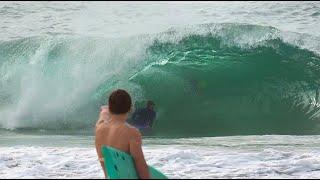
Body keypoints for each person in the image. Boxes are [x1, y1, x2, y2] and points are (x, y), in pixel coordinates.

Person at [95, 89, 150, 179]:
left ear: (110, 107)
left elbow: (103, 115)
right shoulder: (132, 133)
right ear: (130, 108)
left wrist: (105, 110)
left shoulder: (99, 128)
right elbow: (141, 168)